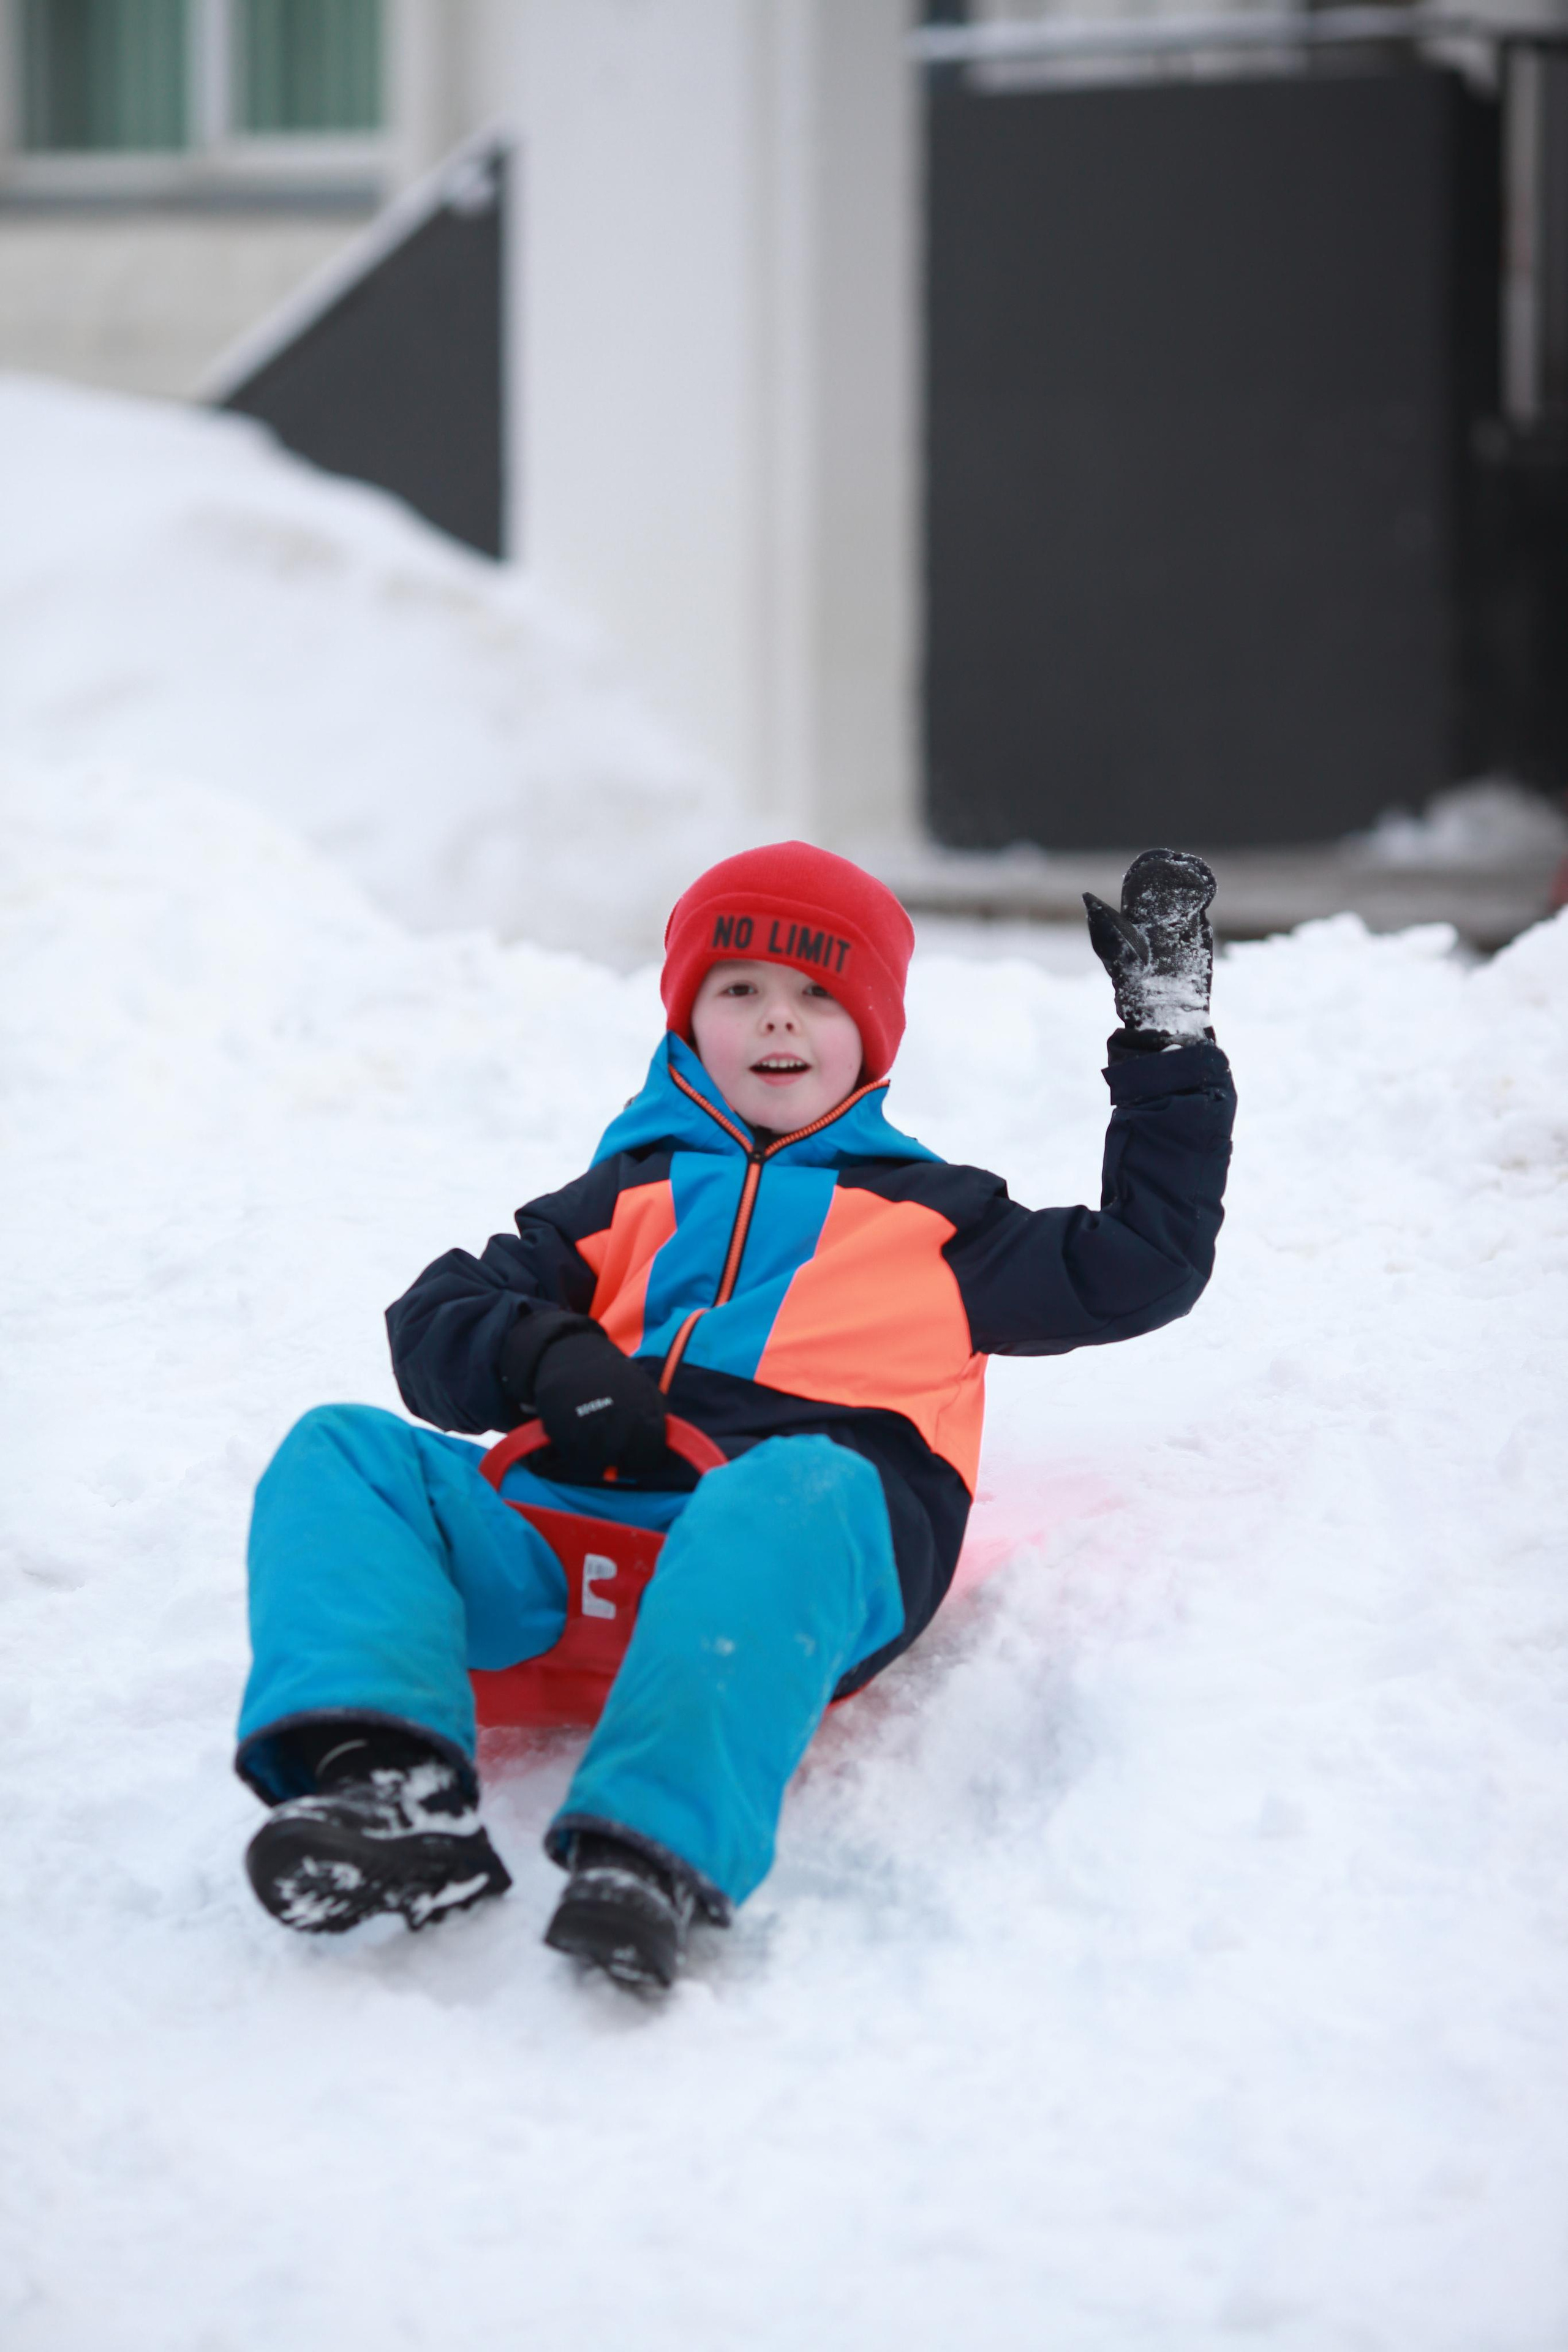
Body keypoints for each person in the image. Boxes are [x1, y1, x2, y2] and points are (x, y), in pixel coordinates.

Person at [236, 841, 1235, 1988]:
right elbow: (438, 1322)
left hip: (790, 1566)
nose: (780, 1022)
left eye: (819, 995)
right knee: (342, 1454)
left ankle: (651, 1850)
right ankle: (386, 1789)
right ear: (686, 1019)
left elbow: (1144, 1264)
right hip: (580, 1546)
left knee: (796, 1483)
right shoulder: (625, 1195)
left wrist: (1169, 1048)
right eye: (742, 988)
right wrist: (548, 1355)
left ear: (871, 1036)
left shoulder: (944, 1224)